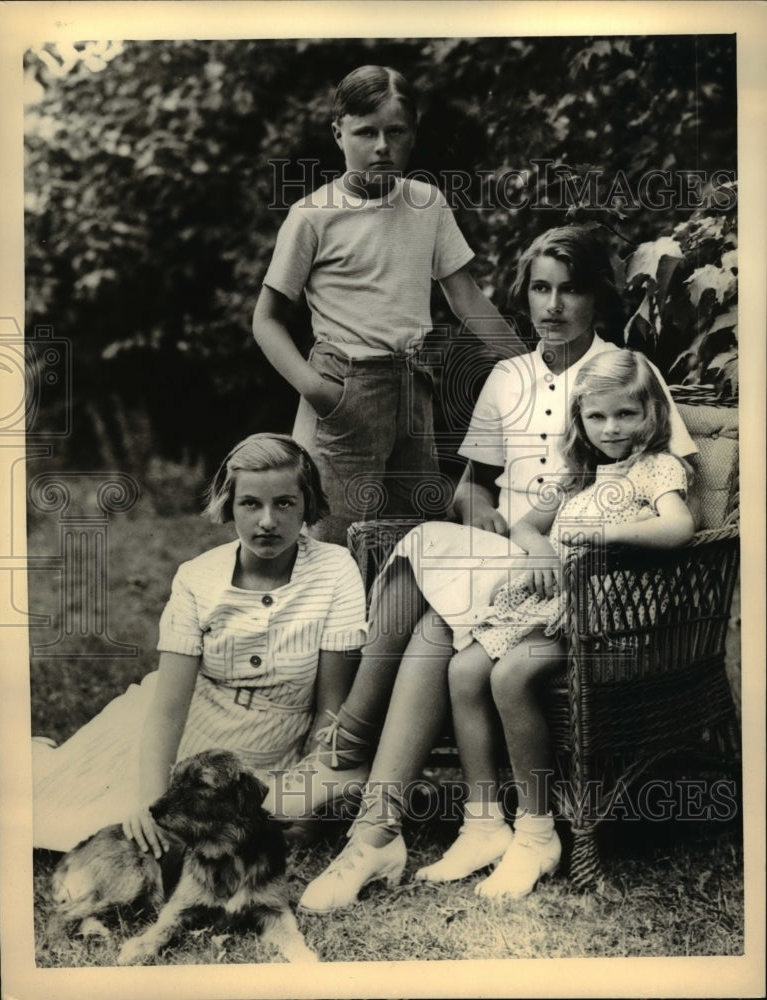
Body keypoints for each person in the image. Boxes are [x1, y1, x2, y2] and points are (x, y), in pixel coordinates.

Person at [272, 224, 698, 912]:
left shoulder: (624, 373)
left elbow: (663, 477)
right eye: (538, 289)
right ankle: (390, 814)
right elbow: (473, 484)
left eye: (570, 289)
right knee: (436, 553)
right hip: (510, 551)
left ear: (597, 299)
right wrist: (492, 524)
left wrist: (548, 542)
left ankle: (359, 775)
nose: (552, 305)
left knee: (425, 573)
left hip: (575, 568)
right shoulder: (507, 376)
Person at [414, 349, 696, 899]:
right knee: (464, 669)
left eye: (626, 415)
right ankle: (484, 823)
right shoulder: (578, 474)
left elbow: (680, 528)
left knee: (508, 676)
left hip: (610, 617)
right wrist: (540, 549)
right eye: (597, 417)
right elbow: (524, 527)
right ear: (581, 422)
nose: (611, 429)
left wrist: (607, 536)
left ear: (652, 415)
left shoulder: (657, 467)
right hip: (552, 604)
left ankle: (537, 832)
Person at [32, 434, 367, 856]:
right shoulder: (197, 577)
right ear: (229, 505)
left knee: (258, 835)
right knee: (78, 822)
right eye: (250, 504)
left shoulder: (335, 570)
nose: (267, 520)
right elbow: (170, 707)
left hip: (272, 748)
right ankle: (38, 762)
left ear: (307, 506)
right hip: (186, 732)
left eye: (284, 503)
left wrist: (309, 800)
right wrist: (151, 801)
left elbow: (330, 709)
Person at [252, 64, 523, 544]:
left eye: (395, 132)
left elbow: (467, 299)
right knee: (330, 548)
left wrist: (531, 367)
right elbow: (266, 320)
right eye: (366, 132)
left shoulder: (428, 204)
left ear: (413, 133)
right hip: (343, 392)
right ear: (338, 134)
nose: (382, 146)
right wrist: (318, 391)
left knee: (415, 549)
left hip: (413, 391)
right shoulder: (313, 215)